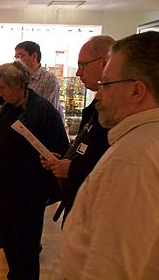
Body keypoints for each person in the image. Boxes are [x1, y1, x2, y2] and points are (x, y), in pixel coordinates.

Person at [61, 31, 159, 279]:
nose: (99, 94)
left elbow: (110, 267)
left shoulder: (130, 160)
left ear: (136, 91)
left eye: (106, 84)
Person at [0, 62, 69, 279]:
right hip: (5, 189)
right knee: (10, 240)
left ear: (18, 85)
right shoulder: (10, 104)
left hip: (27, 193)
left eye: (3, 87)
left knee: (25, 247)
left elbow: (61, 150)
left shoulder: (42, 110)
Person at [41, 35, 115, 223]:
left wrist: (73, 168)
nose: (78, 73)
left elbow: (108, 164)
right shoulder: (95, 109)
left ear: (105, 62)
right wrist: (66, 161)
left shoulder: (118, 113)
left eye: (83, 65)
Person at [15, 41, 64, 120]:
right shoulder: (19, 78)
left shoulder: (49, 79)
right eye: (16, 57)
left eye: (21, 56)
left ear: (34, 56)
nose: (17, 60)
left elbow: (49, 111)